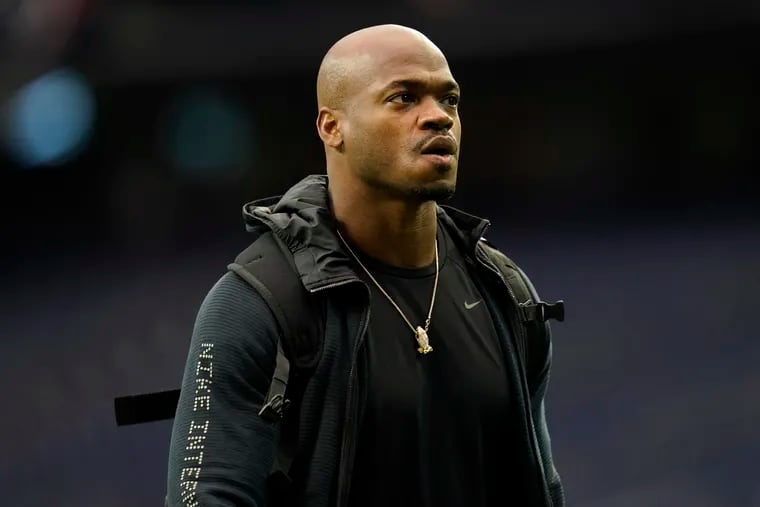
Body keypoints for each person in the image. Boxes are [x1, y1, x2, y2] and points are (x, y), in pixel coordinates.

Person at [166, 24, 564, 507]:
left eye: (450, 100)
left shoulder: (507, 292)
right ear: (332, 127)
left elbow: (542, 488)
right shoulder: (257, 305)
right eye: (403, 98)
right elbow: (204, 497)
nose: (438, 117)